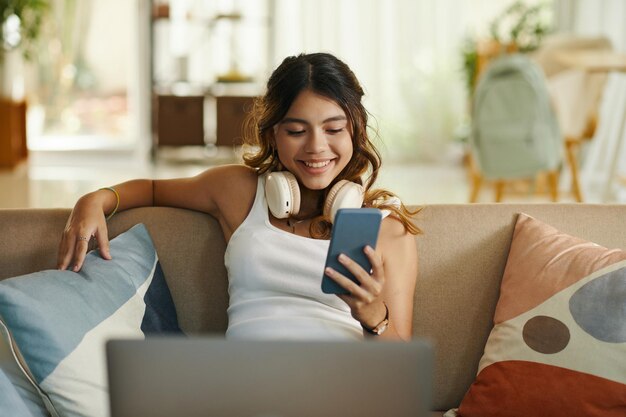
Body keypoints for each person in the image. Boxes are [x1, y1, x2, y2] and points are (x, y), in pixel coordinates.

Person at [57, 52, 419, 341]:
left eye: (334, 129)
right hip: (249, 394)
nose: (316, 147)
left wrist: (374, 317)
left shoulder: (389, 232)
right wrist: (93, 200)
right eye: (296, 130)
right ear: (273, 134)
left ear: (355, 131)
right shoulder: (238, 191)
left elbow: (402, 372)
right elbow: (152, 188)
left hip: (342, 392)